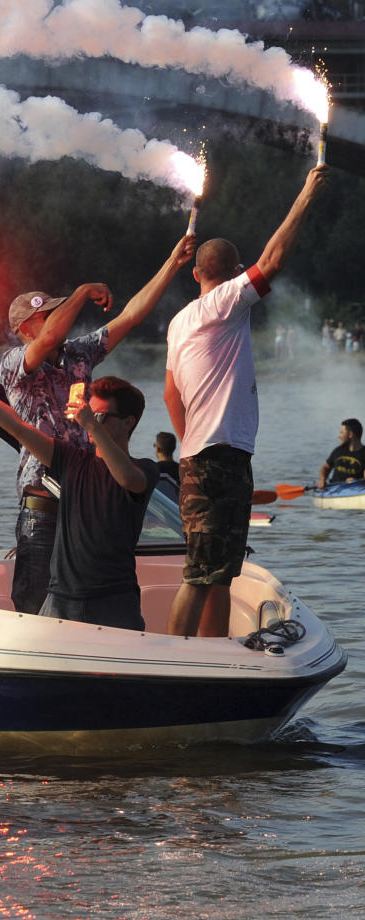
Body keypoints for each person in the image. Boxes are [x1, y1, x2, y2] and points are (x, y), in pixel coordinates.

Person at [163, 164, 327, 638]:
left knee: (220, 575)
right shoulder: (225, 303)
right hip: (218, 457)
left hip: (211, 453)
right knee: (200, 576)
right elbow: (273, 260)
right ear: (234, 275)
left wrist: (190, 440)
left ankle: (212, 659)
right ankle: (174, 662)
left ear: (195, 273)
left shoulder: (179, 322)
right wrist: (306, 196)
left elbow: (171, 392)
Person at [0, 232, 196, 614]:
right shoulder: (15, 363)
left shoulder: (79, 353)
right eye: (46, 316)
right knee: (33, 601)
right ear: (25, 329)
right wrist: (82, 291)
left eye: (58, 312)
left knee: (86, 592)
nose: (59, 321)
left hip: (84, 495)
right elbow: (52, 335)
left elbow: (133, 315)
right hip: (42, 500)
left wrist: (173, 262)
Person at [0, 359, 157, 631]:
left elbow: (128, 480)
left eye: (99, 416)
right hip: (61, 598)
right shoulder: (71, 460)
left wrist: (93, 427)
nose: (88, 423)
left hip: (113, 601)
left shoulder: (144, 468)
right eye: (88, 415)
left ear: (128, 423)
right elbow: (18, 427)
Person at [318, 418, 365, 488]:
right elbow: (325, 467)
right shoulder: (338, 451)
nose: (339, 436)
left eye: (342, 432)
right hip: (334, 490)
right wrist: (322, 480)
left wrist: (357, 482)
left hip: (356, 490)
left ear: (350, 434)